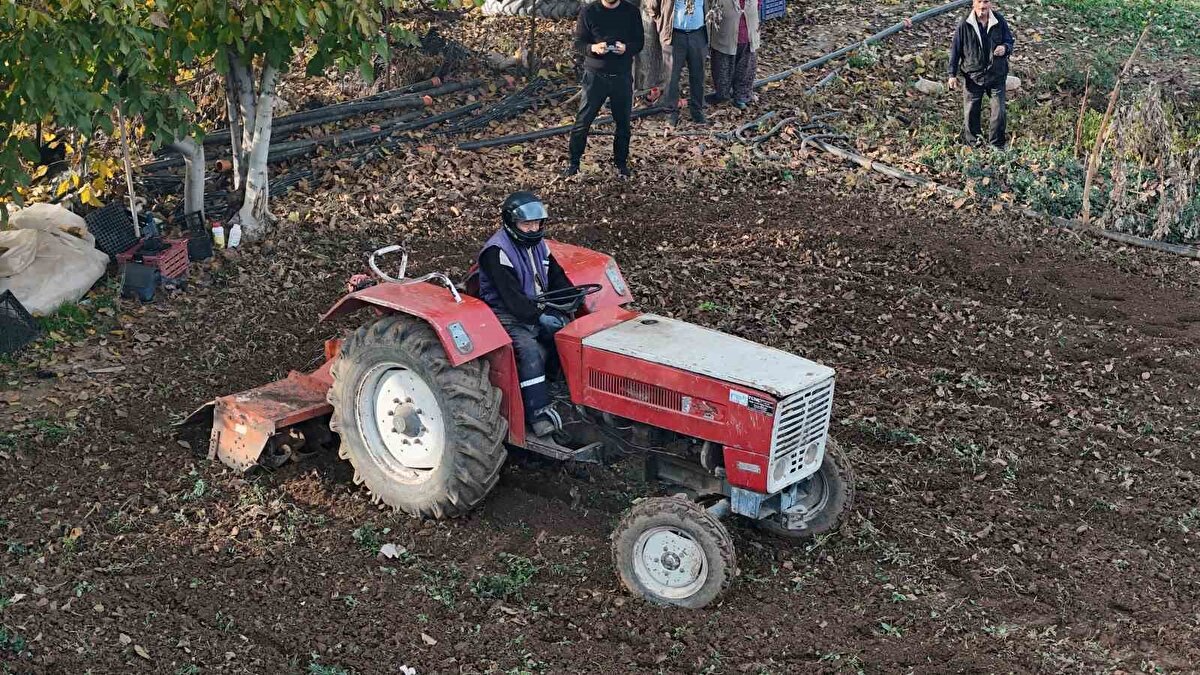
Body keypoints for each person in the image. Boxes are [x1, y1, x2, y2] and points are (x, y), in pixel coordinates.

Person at [477, 192, 573, 437]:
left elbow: (556, 277)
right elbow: (511, 298)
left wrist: (571, 298)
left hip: (535, 306)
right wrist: (539, 317)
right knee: (529, 351)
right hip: (506, 315)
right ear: (511, 223)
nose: (533, 229)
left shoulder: (539, 245)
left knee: (568, 335)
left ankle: (559, 389)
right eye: (526, 224)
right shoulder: (496, 252)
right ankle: (537, 413)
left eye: (537, 223)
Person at [565, 0, 644, 178]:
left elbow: (639, 42)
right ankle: (573, 163)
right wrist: (593, 48)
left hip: (622, 75)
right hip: (595, 76)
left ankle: (621, 164)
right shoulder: (589, 12)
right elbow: (578, 43)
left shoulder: (631, 12)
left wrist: (626, 48)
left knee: (623, 124)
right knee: (583, 122)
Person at [947, 0, 1015, 148]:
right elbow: (955, 50)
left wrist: (1005, 48)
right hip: (973, 76)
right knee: (971, 112)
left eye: (986, 1)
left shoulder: (999, 20)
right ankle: (974, 144)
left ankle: (996, 145)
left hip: (996, 74)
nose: (982, 6)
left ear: (990, 3)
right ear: (973, 3)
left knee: (999, 111)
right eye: (979, 1)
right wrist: (952, 74)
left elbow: (1009, 41)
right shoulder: (964, 24)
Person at [650, 0, 709, 126]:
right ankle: (671, 112)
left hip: (698, 34)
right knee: (671, 77)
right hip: (674, 35)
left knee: (698, 75)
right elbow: (652, 6)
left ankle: (697, 110)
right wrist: (661, 22)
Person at [709, 0, 761, 110]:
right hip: (724, 35)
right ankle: (722, 95)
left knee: (746, 68)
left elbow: (758, 4)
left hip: (747, 34)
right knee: (722, 68)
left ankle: (741, 97)